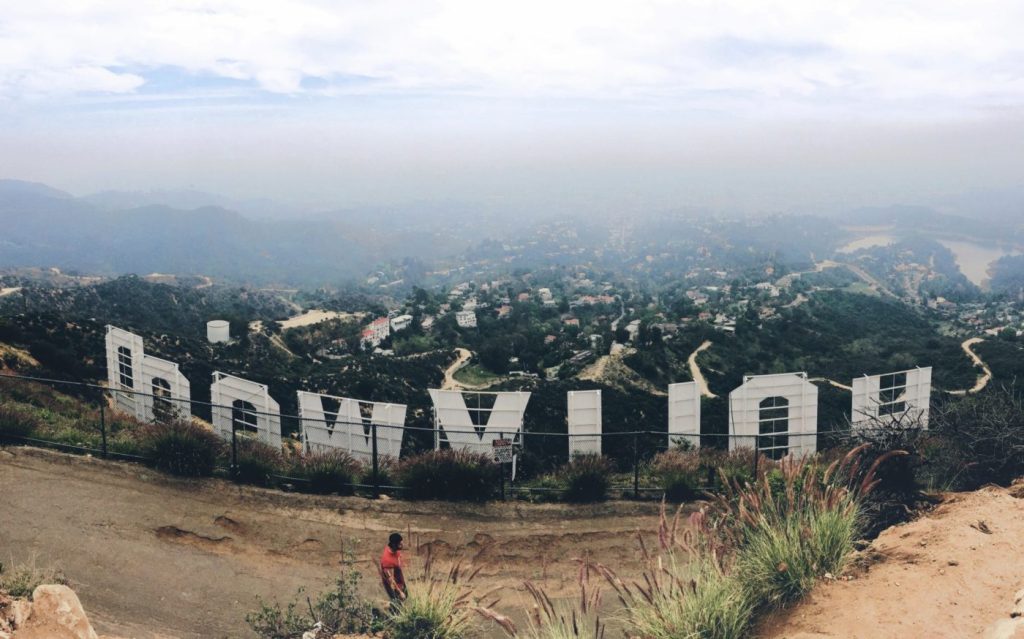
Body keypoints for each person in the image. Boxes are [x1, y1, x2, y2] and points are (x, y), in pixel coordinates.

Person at [380, 532, 407, 602]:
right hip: (393, 585)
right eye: (399, 544)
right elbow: (391, 580)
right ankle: (387, 605)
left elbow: (397, 557)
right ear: (394, 545)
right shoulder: (387, 560)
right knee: (397, 603)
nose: (402, 545)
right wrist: (399, 592)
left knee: (406, 595)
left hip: (399, 579)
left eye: (401, 542)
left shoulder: (394, 550)